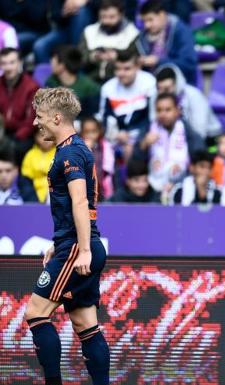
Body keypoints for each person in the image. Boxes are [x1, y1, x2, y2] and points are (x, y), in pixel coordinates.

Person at [25, 87, 110, 385]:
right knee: (85, 324)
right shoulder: (75, 149)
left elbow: (79, 202)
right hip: (76, 243)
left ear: (57, 117)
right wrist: (58, 242)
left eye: (41, 117)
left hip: (78, 247)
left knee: (36, 313)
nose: (36, 123)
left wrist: (81, 249)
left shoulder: (71, 153)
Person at [135, 93, 203, 192]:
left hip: (182, 184)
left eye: (167, 110)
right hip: (151, 185)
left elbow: (199, 160)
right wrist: (144, 144)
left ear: (177, 110)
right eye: (159, 110)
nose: (163, 114)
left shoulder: (188, 131)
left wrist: (179, 181)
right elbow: (134, 163)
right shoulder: (148, 129)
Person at [98, 50, 156, 159]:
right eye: (118, 69)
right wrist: (116, 134)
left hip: (143, 136)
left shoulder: (149, 82)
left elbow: (153, 117)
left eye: (127, 69)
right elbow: (105, 118)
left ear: (137, 67)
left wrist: (137, 140)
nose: (121, 73)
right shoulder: (108, 88)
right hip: (117, 138)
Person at [136, 0, 198, 84]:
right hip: (151, 85)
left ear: (162, 15)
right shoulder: (143, 36)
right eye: (144, 21)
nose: (147, 25)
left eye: (150, 20)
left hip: (180, 83)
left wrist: (158, 61)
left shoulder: (181, 31)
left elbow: (189, 64)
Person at [79, 0, 140, 83]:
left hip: (119, 81)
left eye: (112, 17)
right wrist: (93, 56)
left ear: (121, 15)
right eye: (103, 17)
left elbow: (135, 58)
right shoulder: (89, 31)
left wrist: (117, 56)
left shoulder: (132, 33)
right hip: (90, 80)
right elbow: (80, 57)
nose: (107, 21)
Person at [155, 65, 222, 140]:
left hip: (208, 138)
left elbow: (199, 130)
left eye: (167, 89)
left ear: (176, 84)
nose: (162, 93)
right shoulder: (157, 96)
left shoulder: (194, 95)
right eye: (159, 89)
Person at [0, 47, 39, 162]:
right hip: (2, 131)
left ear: (20, 63)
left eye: (12, 62)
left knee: (14, 148)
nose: (8, 67)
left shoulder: (31, 87)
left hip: (23, 135)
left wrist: (15, 138)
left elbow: (31, 121)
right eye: (4, 63)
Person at [46, 45, 101, 117]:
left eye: (53, 60)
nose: (51, 64)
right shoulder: (51, 82)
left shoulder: (89, 88)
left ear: (62, 64)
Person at [80, 117, 115, 200]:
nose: (90, 135)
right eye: (87, 132)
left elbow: (108, 168)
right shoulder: (77, 146)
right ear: (81, 133)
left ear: (99, 131)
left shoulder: (106, 146)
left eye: (93, 131)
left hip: (101, 187)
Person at [21, 129, 56, 203]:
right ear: (35, 137)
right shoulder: (30, 155)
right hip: (34, 194)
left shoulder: (60, 152)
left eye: (49, 136)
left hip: (55, 192)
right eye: (41, 135)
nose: (46, 139)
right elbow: (26, 180)